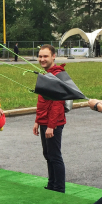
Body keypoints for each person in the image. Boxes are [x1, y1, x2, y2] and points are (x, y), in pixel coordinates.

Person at [33, 44, 67, 193]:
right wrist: (37, 121)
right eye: (40, 56)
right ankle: (52, 183)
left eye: (45, 56)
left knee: (54, 155)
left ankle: (59, 188)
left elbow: (57, 103)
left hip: (53, 123)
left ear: (54, 56)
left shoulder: (57, 75)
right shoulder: (46, 74)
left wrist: (51, 126)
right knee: (48, 154)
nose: (42, 59)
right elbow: (43, 101)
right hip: (44, 121)